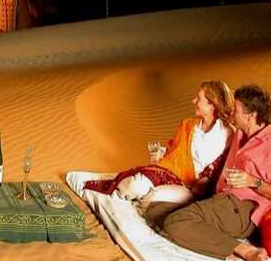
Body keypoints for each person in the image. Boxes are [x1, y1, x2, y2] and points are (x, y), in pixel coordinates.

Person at [146, 85, 271, 261]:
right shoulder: (239, 134)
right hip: (220, 199)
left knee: (176, 223)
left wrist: (252, 181)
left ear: (250, 116)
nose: (232, 112)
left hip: (241, 209)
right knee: (154, 211)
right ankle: (214, 240)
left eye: (236, 110)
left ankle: (246, 251)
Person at [84, 80, 235, 201]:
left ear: (212, 105)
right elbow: (173, 153)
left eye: (199, 98)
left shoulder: (228, 134)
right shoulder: (188, 125)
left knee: (153, 197)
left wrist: (202, 185)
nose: (193, 100)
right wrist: (161, 154)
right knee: (133, 186)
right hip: (170, 173)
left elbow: (221, 167)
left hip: (194, 188)